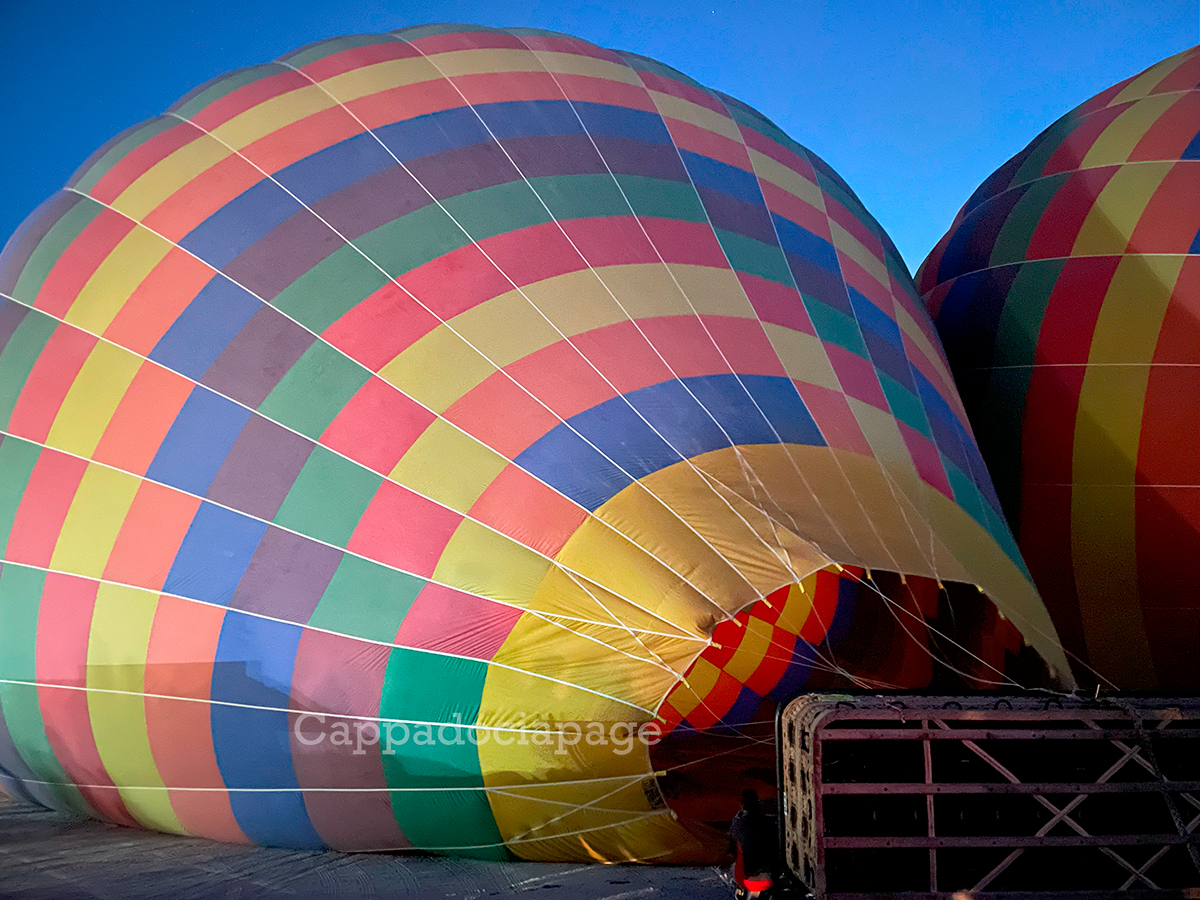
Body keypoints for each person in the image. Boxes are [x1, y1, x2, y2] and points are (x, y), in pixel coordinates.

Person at [729, 788, 777, 899]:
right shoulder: (769, 823)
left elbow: (732, 850)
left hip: (743, 878)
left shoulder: (737, 824)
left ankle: (743, 892)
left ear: (742, 805)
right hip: (767, 877)